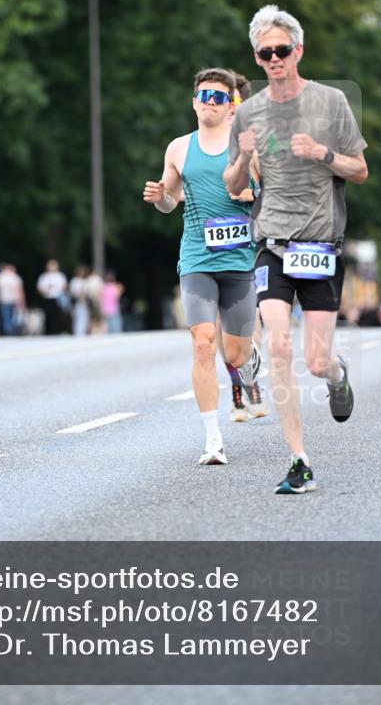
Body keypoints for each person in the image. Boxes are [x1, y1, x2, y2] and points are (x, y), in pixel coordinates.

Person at [225, 4, 368, 494]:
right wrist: (243, 156)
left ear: (298, 50)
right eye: (265, 54)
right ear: (257, 58)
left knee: (316, 361)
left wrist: (323, 154)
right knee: (279, 345)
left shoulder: (330, 103)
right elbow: (232, 184)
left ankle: (337, 373)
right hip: (273, 244)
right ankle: (298, 460)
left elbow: (360, 170)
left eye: (282, 50)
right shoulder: (248, 112)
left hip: (322, 245)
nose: (274, 60)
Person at [143, 67, 261, 466]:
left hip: (240, 258)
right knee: (202, 342)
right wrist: (160, 195)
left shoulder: (247, 147)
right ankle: (213, 439)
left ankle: (250, 359)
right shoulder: (179, 148)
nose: (210, 103)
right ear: (194, 101)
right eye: (204, 96)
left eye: (218, 97)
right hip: (196, 257)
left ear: (232, 106)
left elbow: (272, 196)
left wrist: (251, 196)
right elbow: (169, 202)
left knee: (236, 353)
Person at [219, 71, 268, 422]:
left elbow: (272, 186)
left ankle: (252, 385)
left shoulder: (258, 142)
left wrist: (253, 193)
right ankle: (238, 390)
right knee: (224, 327)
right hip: (219, 243)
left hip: (254, 240)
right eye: (226, 101)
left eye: (236, 102)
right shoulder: (203, 143)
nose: (230, 108)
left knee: (251, 324)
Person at [37, 259, 68, 335]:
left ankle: (57, 331)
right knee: (48, 316)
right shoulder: (44, 276)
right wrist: (46, 290)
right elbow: (40, 288)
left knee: (58, 316)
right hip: (48, 298)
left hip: (58, 298)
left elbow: (65, 286)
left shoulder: (60, 276)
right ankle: (48, 332)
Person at [0, 262, 25, 336]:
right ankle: (12, 331)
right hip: (14, 299)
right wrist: (22, 300)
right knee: (13, 317)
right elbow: (19, 290)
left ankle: (7, 332)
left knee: (6, 317)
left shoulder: (0, 277)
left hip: (3, 300)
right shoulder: (15, 277)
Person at [69, 266, 91, 336]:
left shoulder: (85, 281)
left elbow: (87, 292)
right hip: (77, 302)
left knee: (85, 317)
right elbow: (72, 292)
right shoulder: (74, 281)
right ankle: (77, 333)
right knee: (77, 318)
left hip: (84, 302)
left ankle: (83, 332)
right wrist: (79, 296)